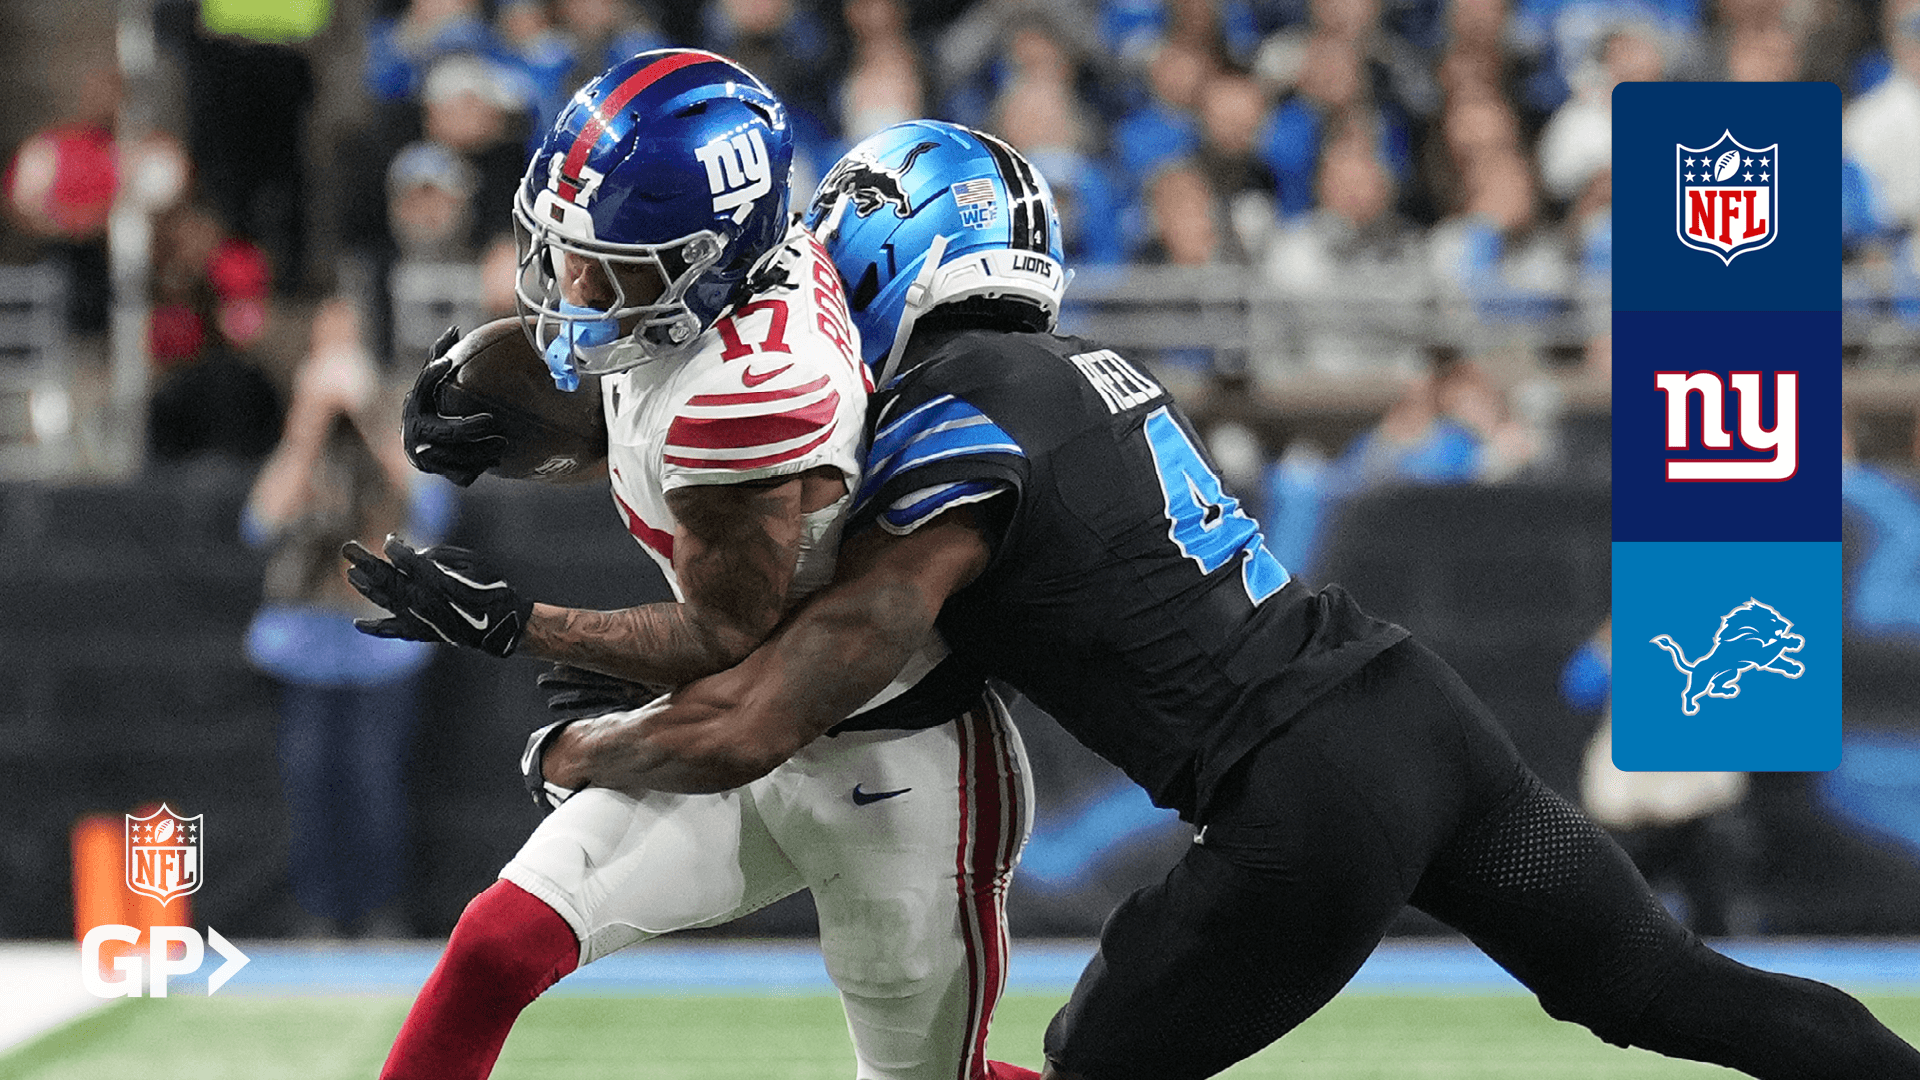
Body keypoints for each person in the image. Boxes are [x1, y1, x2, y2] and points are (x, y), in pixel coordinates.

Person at [534, 119, 1920, 1080]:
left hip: (1297, 794)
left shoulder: (954, 416)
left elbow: (781, 702)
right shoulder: (1080, 370)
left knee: (1090, 1065)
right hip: (1410, 710)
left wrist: (576, 737)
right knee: (1667, 988)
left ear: (893, 252)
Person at [340, 52, 1039, 1080]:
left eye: (608, 263)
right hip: (744, 710)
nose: (573, 284)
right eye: (568, 248)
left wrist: (517, 622)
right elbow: (643, 414)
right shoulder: (727, 286)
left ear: (706, 259)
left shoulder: (752, 392)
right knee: (496, 945)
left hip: (894, 762)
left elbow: (724, 631)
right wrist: (510, 415)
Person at [242, 299, 455, 936]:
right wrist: (307, 425)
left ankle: (379, 914)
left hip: (381, 644)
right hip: (305, 642)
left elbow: (431, 511)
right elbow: (260, 523)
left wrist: (369, 413)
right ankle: (317, 914)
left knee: (375, 783)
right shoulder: (298, 430)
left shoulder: (396, 425)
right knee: (310, 785)